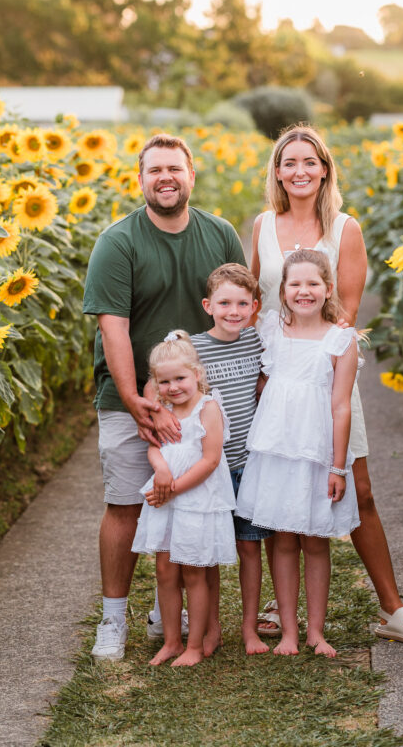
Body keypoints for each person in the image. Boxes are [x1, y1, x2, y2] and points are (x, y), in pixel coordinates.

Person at [251, 125, 403, 645]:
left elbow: (347, 316)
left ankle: (393, 607)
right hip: (275, 381)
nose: (300, 171)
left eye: (310, 161)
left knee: (357, 488)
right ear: (278, 171)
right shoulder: (264, 226)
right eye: (289, 162)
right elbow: (257, 306)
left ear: (325, 169)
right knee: (282, 487)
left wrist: (320, 374)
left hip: (328, 377)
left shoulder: (345, 229)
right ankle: (280, 602)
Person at [82, 134, 246, 661]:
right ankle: (113, 619)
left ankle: (167, 611)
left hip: (197, 400)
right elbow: (114, 328)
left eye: (174, 168)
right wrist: (135, 402)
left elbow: (237, 309)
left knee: (190, 501)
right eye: (154, 170)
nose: (165, 178)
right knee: (127, 503)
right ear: (140, 179)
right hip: (127, 395)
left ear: (191, 175)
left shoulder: (219, 234)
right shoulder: (118, 242)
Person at [237, 249, 360, 658]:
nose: (304, 291)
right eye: (295, 284)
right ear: (283, 291)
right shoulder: (271, 329)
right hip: (275, 450)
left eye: (313, 284)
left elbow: (341, 405)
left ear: (328, 289)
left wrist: (338, 466)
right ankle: (289, 631)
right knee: (284, 540)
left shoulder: (340, 340)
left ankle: (316, 631)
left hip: (317, 452)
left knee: (316, 541)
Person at [131, 331, 237, 666]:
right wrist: (160, 469)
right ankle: (172, 641)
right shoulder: (163, 410)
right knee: (165, 572)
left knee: (194, 572)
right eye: (165, 382)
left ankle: (195, 645)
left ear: (197, 374)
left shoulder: (208, 409)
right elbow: (154, 446)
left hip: (196, 500)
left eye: (180, 378)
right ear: (156, 384)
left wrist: (172, 488)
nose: (173, 387)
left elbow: (210, 460)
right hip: (167, 498)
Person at [190, 263, 272, 655]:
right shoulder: (193, 348)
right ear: (208, 305)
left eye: (242, 303)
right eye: (224, 303)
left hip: (249, 464)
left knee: (249, 548)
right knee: (208, 553)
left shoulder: (256, 341)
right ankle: (211, 628)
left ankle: (250, 628)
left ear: (254, 306)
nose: (233, 311)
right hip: (212, 468)